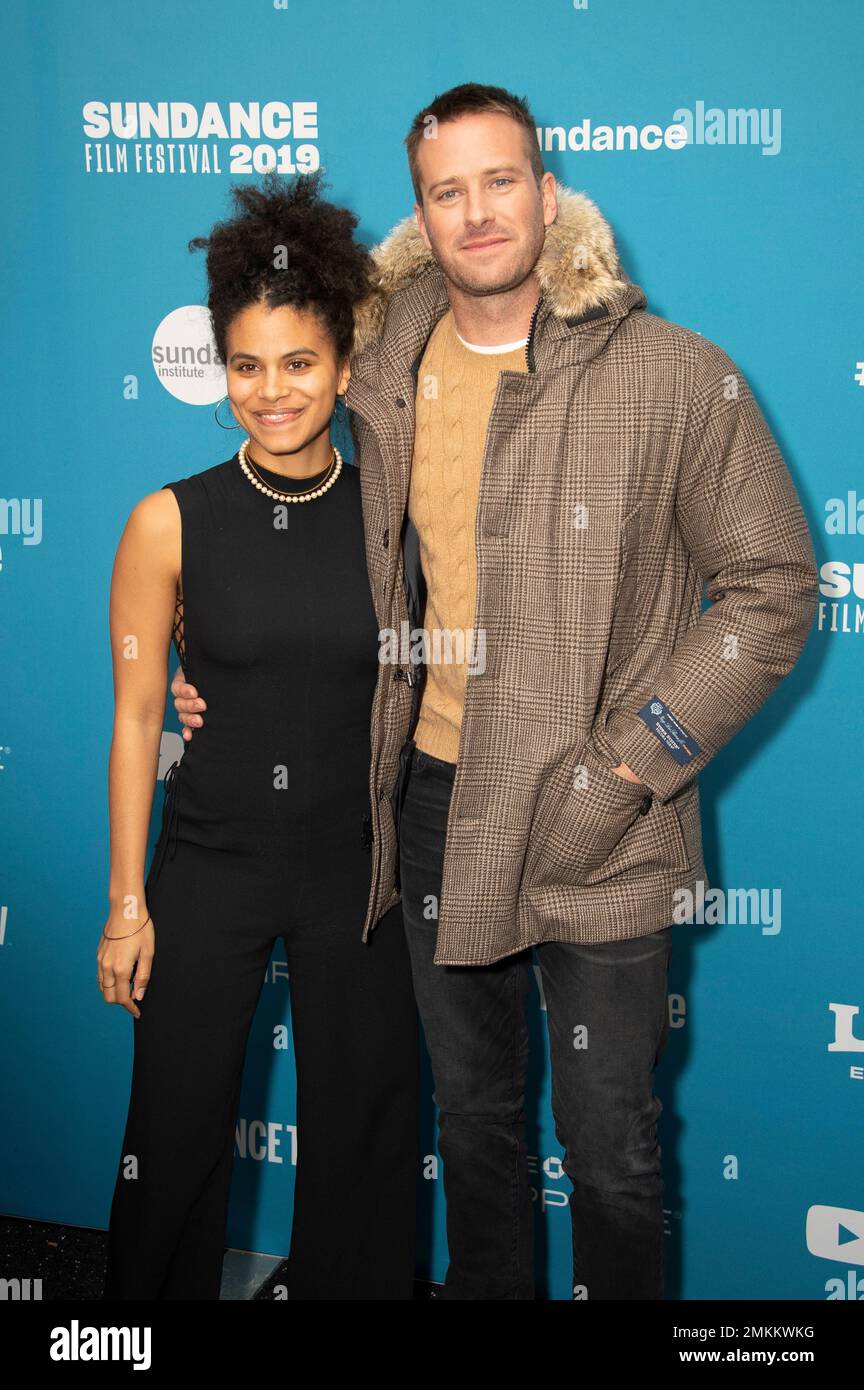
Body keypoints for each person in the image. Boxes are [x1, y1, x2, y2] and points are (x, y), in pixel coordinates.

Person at [172, 84, 819, 1300]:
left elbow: (776, 586)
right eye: (446, 190)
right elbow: (287, 482)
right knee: (475, 1128)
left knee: (615, 1152)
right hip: (431, 807)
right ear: (421, 215)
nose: (477, 213)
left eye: (500, 179)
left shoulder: (675, 375)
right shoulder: (386, 366)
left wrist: (633, 762)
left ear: (549, 192)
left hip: (603, 822)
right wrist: (209, 667)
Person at [100, 169, 419, 1301]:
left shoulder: (398, 516)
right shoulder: (169, 519)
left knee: (370, 1135)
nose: (272, 391)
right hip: (211, 863)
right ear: (219, 370)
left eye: (299, 364)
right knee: (173, 1128)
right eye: (247, 365)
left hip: (359, 871)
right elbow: (141, 717)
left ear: (343, 368)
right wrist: (126, 905)